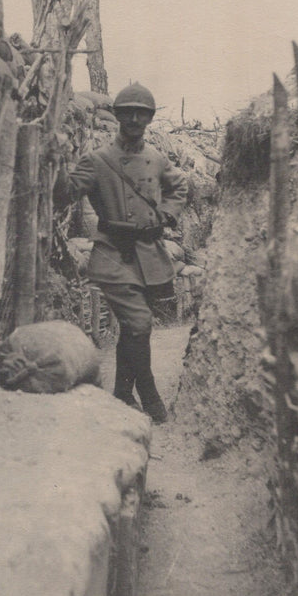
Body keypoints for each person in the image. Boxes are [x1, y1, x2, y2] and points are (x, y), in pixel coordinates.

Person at [55, 82, 187, 422]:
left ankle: (122, 394)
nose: (134, 119)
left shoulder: (156, 158)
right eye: (127, 112)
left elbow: (179, 186)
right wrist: (57, 161)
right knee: (140, 321)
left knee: (133, 328)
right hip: (114, 253)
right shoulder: (98, 160)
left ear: (149, 119)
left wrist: (168, 214)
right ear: (116, 116)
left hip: (149, 253)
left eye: (141, 114)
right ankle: (151, 396)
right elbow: (66, 191)